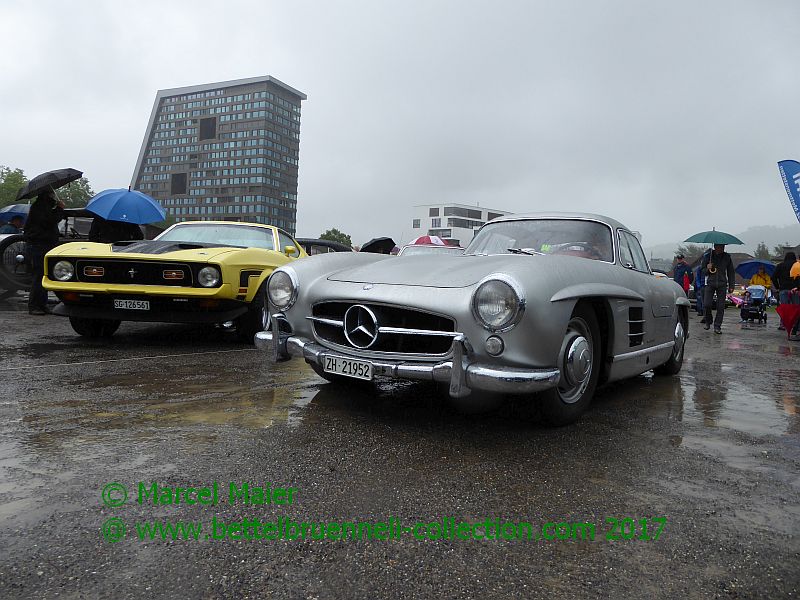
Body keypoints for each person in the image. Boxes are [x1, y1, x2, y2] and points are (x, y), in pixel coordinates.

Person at [23, 190, 65, 315]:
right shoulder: (40, 208)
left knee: (43, 276)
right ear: (47, 196)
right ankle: (34, 305)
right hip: (39, 245)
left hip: (43, 245)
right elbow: (50, 221)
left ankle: (41, 304)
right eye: (52, 194)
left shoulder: (41, 207)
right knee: (39, 276)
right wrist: (59, 208)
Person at [700, 243, 735, 334]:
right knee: (707, 304)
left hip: (722, 284)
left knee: (721, 306)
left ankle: (717, 326)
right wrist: (708, 268)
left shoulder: (727, 257)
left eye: (723, 247)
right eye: (720, 246)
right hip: (710, 283)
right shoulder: (708, 256)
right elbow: (702, 271)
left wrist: (731, 285)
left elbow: (731, 272)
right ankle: (708, 321)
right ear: (715, 247)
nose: (722, 248)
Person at [773, 252, 797, 330]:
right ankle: (795, 325)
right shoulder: (797, 265)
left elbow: (773, 277)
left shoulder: (780, 266)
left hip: (783, 289)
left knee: (784, 307)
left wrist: (778, 287)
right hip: (795, 289)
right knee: (795, 307)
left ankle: (783, 324)